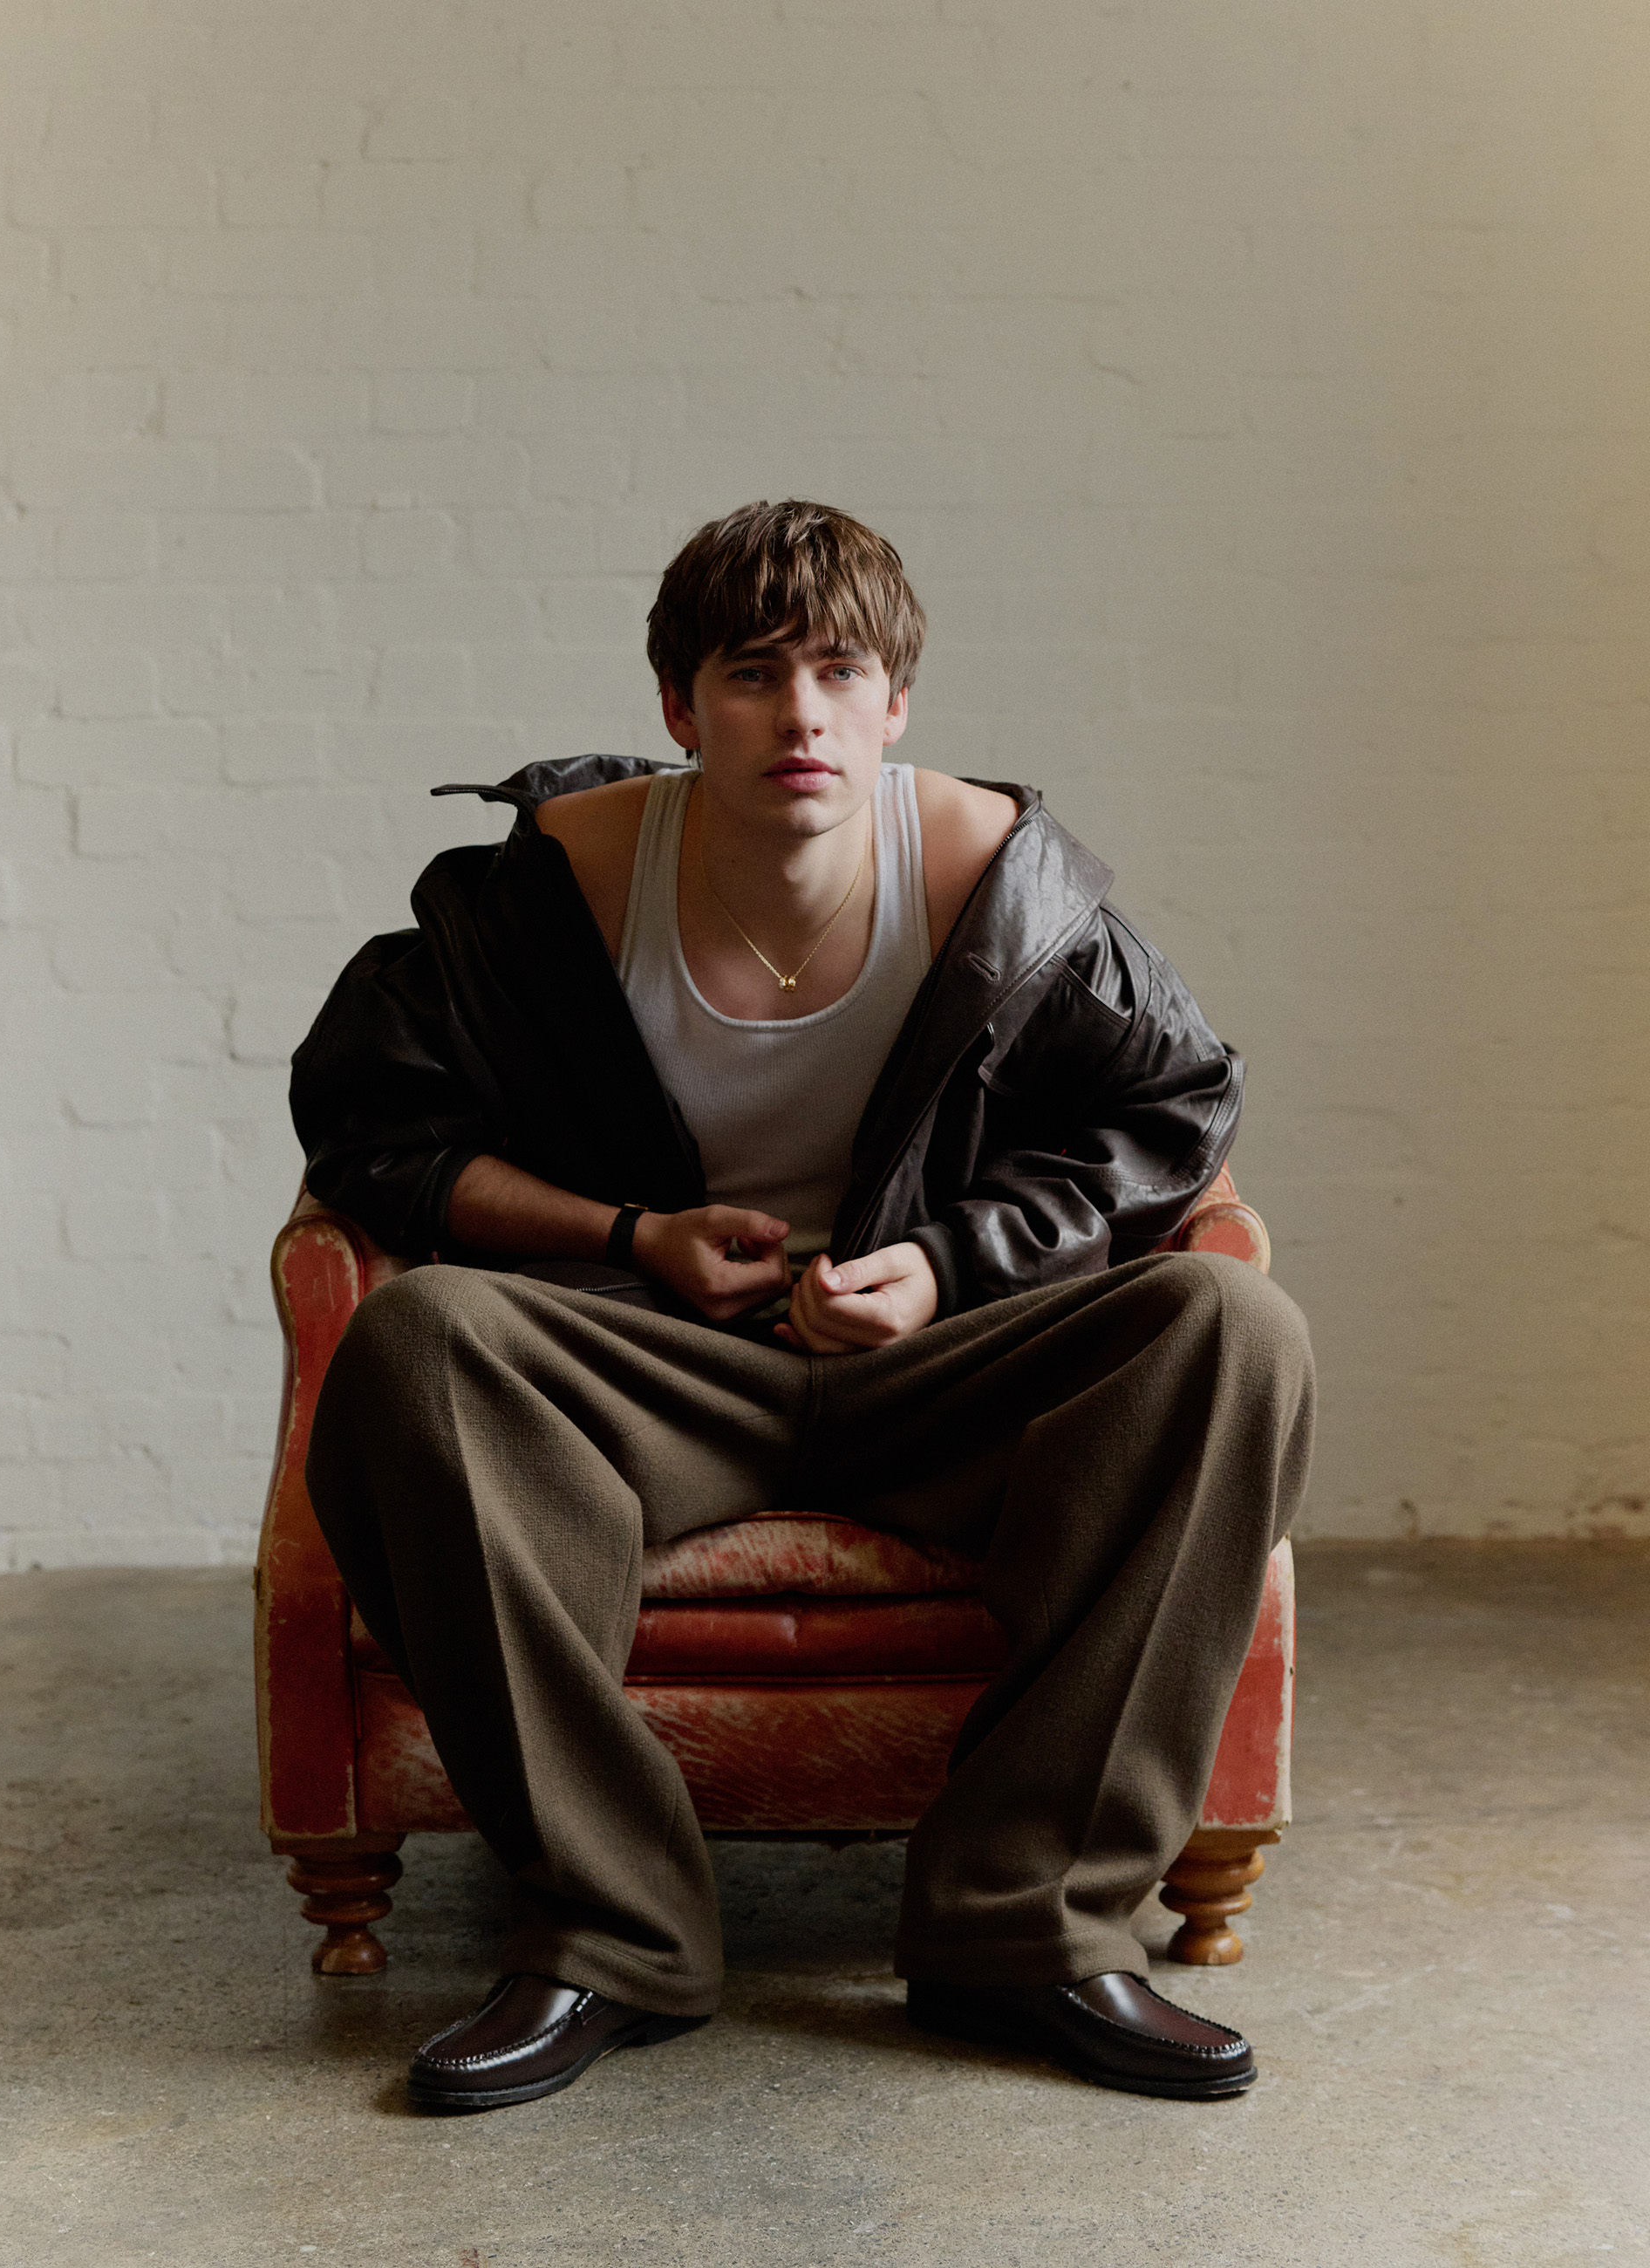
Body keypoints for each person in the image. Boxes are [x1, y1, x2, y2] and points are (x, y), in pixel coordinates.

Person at [291, 498, 1314, 2113]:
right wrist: (634, 1237)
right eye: (754, 674)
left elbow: (1174, 1110)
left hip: (943, 1363)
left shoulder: (1000, 884)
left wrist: (952, 1263)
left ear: (898, 700)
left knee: (1234, 1329)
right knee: (419, 1342)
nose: (802, 713)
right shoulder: (549, 891)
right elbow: (370, 1128)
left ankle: (1031, 1926)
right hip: (662, 1368)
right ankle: (607, 1932)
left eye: (841, 671)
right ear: (678, 706)